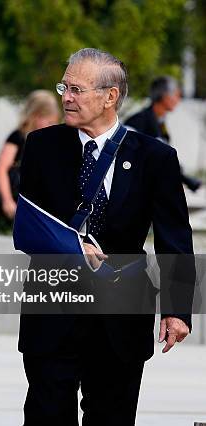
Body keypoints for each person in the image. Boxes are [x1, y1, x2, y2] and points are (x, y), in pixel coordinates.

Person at [18, 48, 194, 425]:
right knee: (46, 416)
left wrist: (176, 309)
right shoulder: (42, 147)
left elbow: (174, 237)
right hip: (52, 310)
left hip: (121, 316)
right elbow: (29, 227)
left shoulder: (155, 157)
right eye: (64, 86)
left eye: (77, 89)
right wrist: (72, 246)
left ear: (110, 96)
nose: (66, 96)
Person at [0, 90, 59, 232]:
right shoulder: (18, 137)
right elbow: (1, 168)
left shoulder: (52, 140)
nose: (50, 124)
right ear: (34, 116)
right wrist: (7, 200)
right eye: (46, 120)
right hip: (17, 203)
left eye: (53, 121)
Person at [125, 76, 201, 191]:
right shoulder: (138, 121)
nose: (178, 99)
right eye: (176, 95)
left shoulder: (159, 120)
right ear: (165, 96)